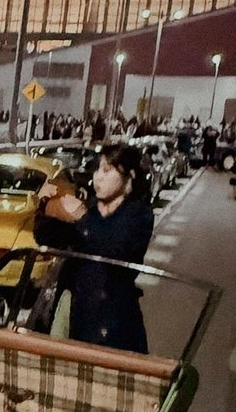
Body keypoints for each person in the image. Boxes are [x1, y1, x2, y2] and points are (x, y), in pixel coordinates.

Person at [34, 142, 154, 353]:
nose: (98, 176)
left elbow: (117, 249)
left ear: (130, 177)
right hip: (75, 312)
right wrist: (44, 206)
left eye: (107, 171)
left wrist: (81, 219)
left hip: (112, 323)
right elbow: (46, 237)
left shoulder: (139, 215)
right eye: (98, 169)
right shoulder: (90, 207)